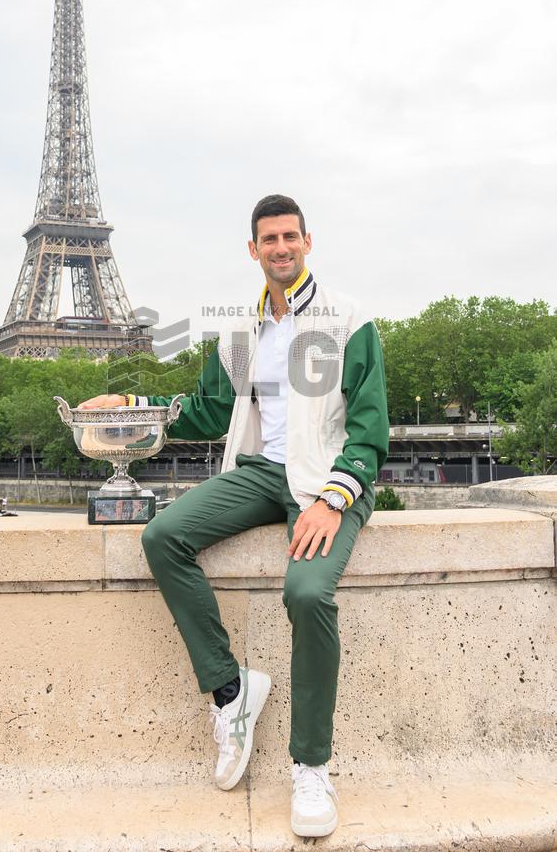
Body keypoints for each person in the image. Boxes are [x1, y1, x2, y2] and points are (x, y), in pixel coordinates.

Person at [78, 194, 389, 839]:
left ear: (308, 242)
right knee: (163, 535)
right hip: (258, 474)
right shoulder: (239, 336)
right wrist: (132, 403)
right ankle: (229, 690)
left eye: (290, 238)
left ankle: (310, 767)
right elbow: (205, 412)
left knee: (306, 592)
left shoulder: (350, 321)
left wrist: (334, 499)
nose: (280, 249)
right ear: (253, 250)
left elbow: (369, 426)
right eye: (268, 240)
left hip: (324, 482)